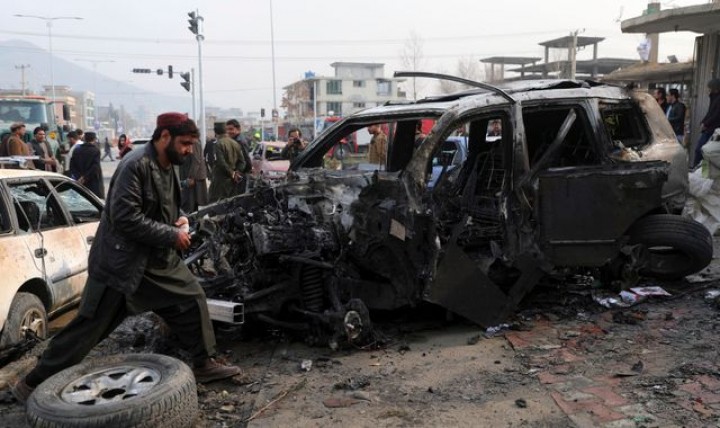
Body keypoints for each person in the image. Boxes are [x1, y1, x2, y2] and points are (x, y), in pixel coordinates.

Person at [10, 112, 241, 404]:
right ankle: (31, 383)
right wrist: (171, 236)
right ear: (165, 136)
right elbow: (125, 217)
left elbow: (165, 209)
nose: (189, 151)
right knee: (88, 328)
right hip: (122, 264)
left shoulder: (169, 164)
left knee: (190, 298)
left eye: (192, 145)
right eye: (185, 144)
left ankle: (203, 362)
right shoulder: (136, 165)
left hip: (155, 261)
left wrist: (179, 220)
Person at [208, 122, 246, 202]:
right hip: (232, 183)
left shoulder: (218, 144)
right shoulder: (235, 143)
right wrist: (236, 173)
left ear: (216, 132)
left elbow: (221, 163)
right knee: (231, 205)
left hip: (219, 182)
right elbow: (242, 162)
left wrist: (232, 173)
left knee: (215, 207)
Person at [70, 132, 105, 199]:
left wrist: (79, 177)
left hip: (79, 181)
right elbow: (95, 167)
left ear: (84, 139)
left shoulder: (77, 150)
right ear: (94, 139)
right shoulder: (95, 150)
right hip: (93, 182)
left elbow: (72, 166)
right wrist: (85, 177)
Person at [694, 78, 720, 167]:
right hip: (708, 129)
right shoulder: (714, 98)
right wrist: (703, 122)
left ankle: (698, 169)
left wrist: (705, 124)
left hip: (712, 130)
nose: (707, 90)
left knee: (702, 151)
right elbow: (709, 113)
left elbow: (716, 115)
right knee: (702, 151)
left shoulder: (718, 99)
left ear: (715, 89)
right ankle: (698, 169)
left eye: (709, 88)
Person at [179, 138, 209, 212]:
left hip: (194, 177)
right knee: (191, 204)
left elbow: (196, 161)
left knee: (190, 204)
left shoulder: (193, 142)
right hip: (193, 176)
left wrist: (191, 177)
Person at [226, 119, 253, 193]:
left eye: (231, 129)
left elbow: (245, 159)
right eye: (227, 129)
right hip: (237, 174)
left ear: (238, 129)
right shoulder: (235, 139)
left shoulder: (239, 141)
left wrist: (240, 173)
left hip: (240, 174)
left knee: (238, 198)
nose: (229, 132)